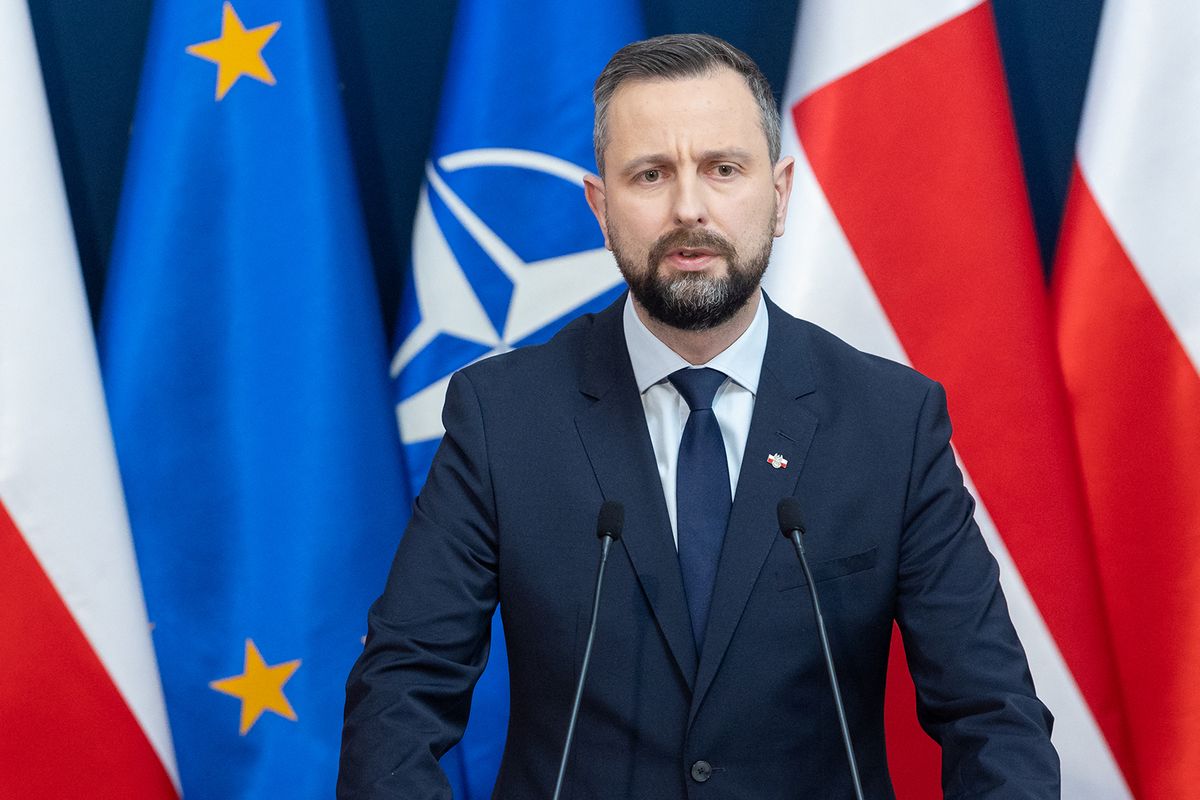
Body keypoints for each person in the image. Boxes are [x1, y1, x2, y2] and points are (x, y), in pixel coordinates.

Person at [338, 34, 1059, 798]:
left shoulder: (892, 422)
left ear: (779, 195)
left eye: (723, 169)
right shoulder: (502, 419)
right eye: (651, 174)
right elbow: (400, 696)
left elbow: (992, 714)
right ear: (601, 207)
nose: (689, 208)